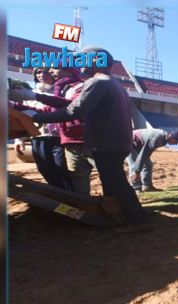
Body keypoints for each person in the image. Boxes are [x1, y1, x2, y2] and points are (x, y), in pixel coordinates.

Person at [30, 47, 149, 229]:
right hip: (116, 142)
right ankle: (119, 217)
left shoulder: (97, 83)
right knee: (112, 181)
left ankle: (137, 219)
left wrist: (37, 117)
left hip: (107, 142)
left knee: (116, 182)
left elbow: (74, 110)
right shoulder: (114, 83)